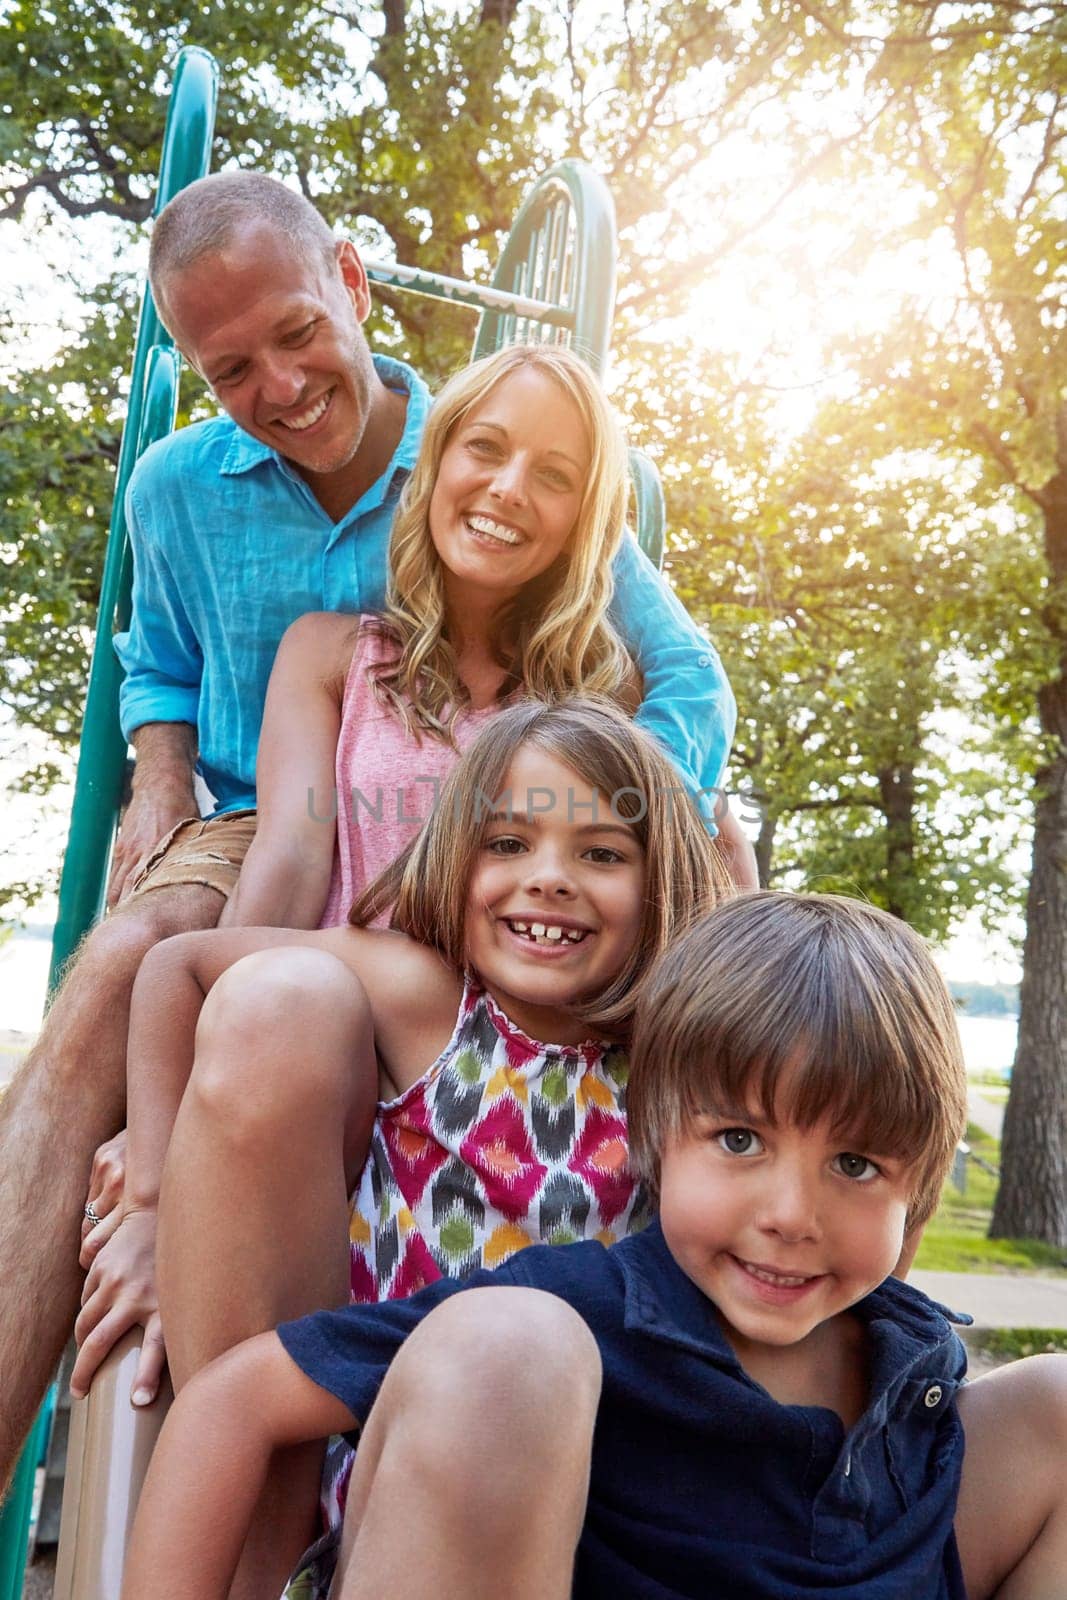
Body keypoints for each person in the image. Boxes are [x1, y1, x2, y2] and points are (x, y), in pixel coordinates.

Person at [0, 167, 739, 1484]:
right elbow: (164, 674)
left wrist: (600, 811)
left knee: (708, 903)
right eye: (229, 368)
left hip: (500, 818)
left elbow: (681, 683)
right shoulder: (177, 493)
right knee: (124, 960)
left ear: (349, 277)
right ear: (191, 370)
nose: (278, 388)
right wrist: (158, 773)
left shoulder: (487, 444)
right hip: (255, 802)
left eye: (294, 336)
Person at [122, 892, 1067, 1600]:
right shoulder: (590, 1309)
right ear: (654, 1142)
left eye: (855, 1165)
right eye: (739, 1142)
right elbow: (233, 1400)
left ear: (921, 1193)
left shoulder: (911, 1371)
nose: (790, 1213)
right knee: (504, 1349)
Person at [86, 699, 730, 1596]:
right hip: (406, 1458)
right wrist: (152, 1203)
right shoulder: (428, 1002)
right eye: (507, 845)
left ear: (662, 883)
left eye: (602, 854)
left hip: (598, 1476)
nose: (548, 879)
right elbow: (177, 968)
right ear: (455, 859)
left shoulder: (676, 1057)